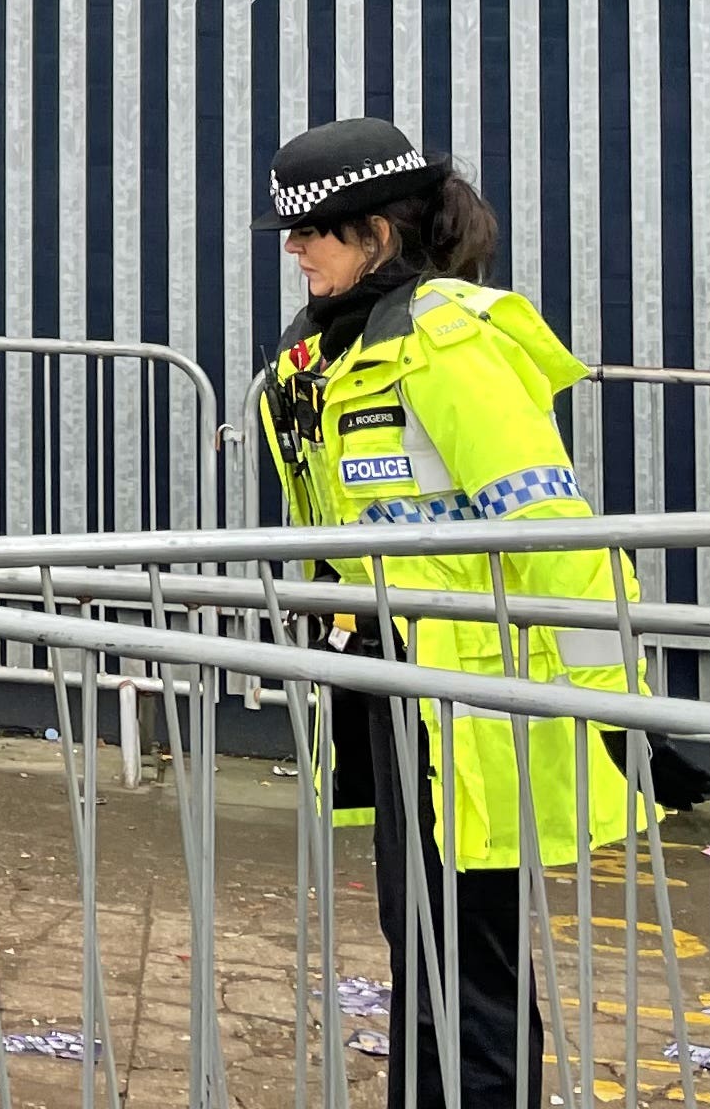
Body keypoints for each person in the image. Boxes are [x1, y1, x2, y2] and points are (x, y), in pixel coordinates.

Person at [254, 117, 646, 1109]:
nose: (294, 249)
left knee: (466, 960)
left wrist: (617, 705)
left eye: (313, 231)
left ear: (379, 231)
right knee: (418, 935)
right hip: (395, 687)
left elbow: (549, 523)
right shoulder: (330, 354)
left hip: (469, 700)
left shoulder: (448, 343)